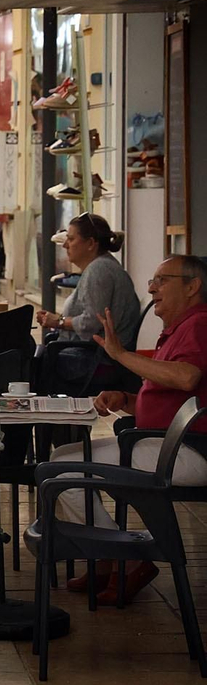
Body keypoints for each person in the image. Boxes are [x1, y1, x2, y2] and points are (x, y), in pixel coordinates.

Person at [41, 255, 207, 601]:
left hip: (187, 450)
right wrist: (126, 399)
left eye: (162, 280)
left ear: (193, 287)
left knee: (62, 473)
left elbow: (186, 377)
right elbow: (169, 395)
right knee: (60, 461)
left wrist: (119, 355)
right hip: (163, 444)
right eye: (152, 280)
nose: (151, 288)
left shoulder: (199, 324)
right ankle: (107, 558)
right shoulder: (179, 330)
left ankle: (125, 559)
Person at [38, 212, 142, 347]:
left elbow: (93, 321)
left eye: (71, 239)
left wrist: (59, 322)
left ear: (91, 243)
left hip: (93, 359)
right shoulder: (101, 267)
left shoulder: (100, 269)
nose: (65, 245)